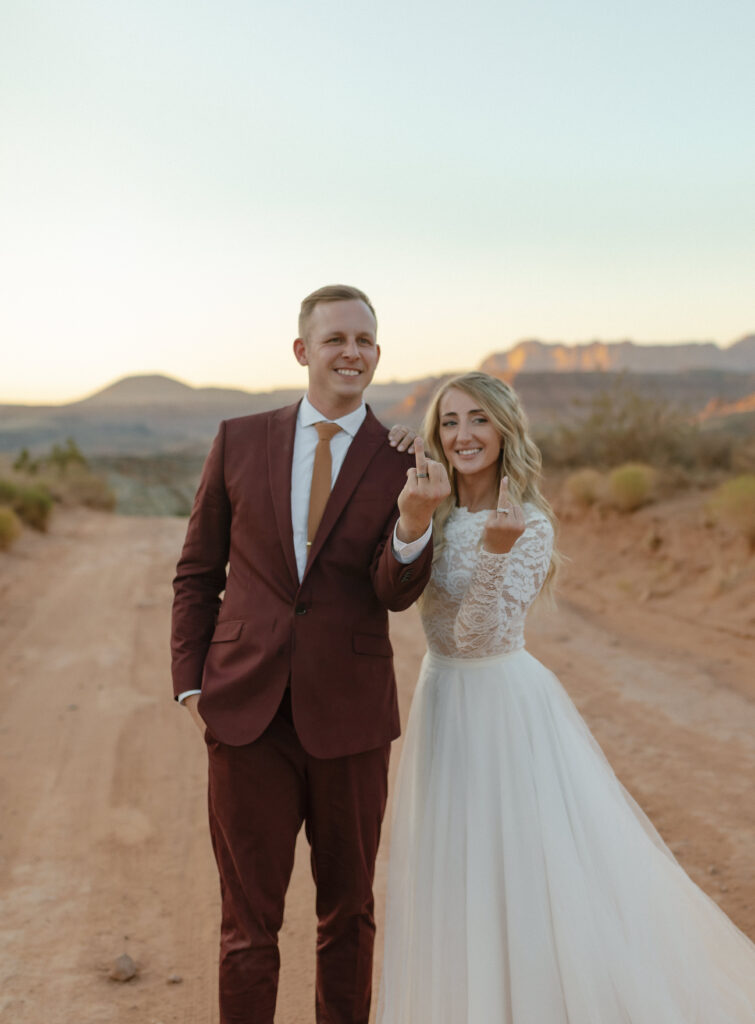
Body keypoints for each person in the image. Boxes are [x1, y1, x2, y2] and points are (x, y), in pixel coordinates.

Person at [378, 371, 755, 1023]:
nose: (463, 434)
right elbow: (392, 578)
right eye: (449, 421)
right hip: (441, 698)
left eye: (478, 420)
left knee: (522, 866)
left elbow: (475, 636)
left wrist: (496, 552)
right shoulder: (429, 503)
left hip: (501, 702)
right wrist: (387, 452)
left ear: (504, 430)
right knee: (454, 867)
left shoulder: (529, 523)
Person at [170, 284, 450, 1024]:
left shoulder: (401, 460)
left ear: (378, 356)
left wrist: (416, 522)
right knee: (247, 926)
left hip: (350, 720)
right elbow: (198, 571)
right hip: (244, 712)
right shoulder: (239, 438)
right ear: (303, 351)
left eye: (364, 340)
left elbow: (393, 593)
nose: (351, 352)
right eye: (335, 339)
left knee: (349, 916)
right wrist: (189, 685)